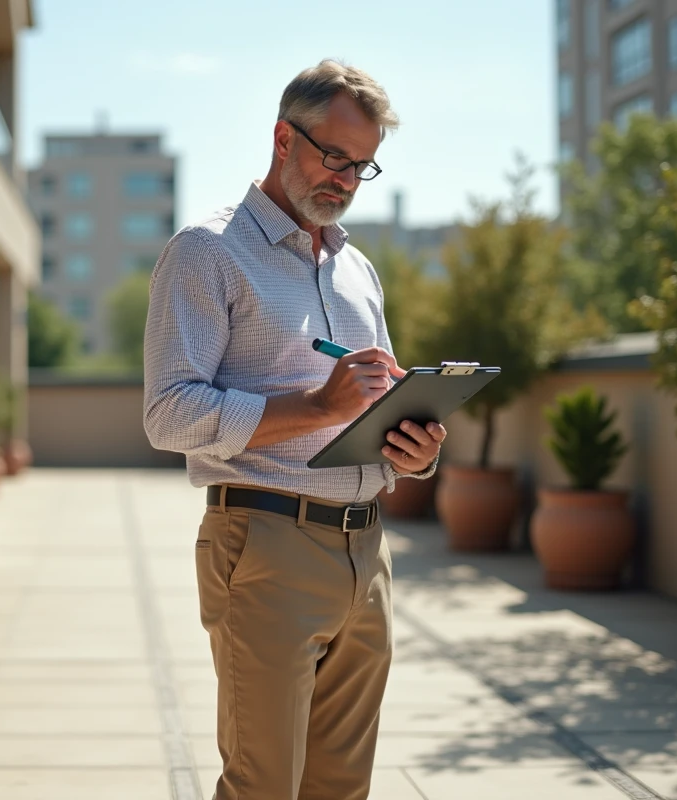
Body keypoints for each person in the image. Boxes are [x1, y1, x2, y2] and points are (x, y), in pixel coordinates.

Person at [142, 59, 446, 800]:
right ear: (284, 138)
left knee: (341, 788)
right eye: (333, 156)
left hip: (366, 552)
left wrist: (412, 451)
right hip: (266, 543)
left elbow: (373, 400)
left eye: (362, 165)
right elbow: (168, 413)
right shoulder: (206, 251)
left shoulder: (358, 270)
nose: (345, 179)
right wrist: (315, 407)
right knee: (264, 785)